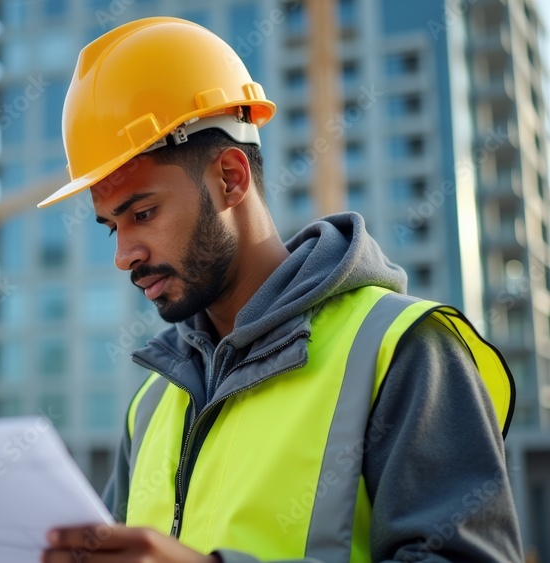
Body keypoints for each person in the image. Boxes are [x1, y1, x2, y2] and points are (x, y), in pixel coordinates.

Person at [35, 16, 522, 563]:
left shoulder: (403, 350)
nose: (125, 255)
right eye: (112, 227)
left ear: (230, 178)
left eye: (143, 213)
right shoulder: (152, 405)